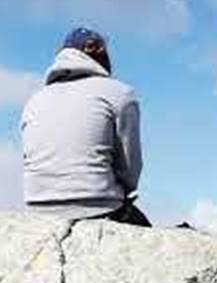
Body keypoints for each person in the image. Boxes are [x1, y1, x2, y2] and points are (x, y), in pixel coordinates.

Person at [21, 27, 150, 227]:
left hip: (37, 206)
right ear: (99, 53)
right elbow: (130, 167)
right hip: (99, 205)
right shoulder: (119, 93)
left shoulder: (34, 100)